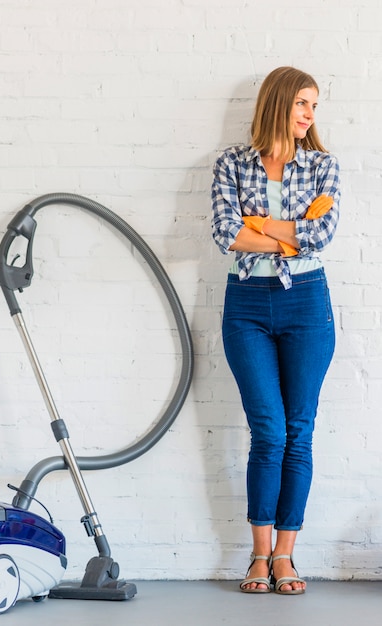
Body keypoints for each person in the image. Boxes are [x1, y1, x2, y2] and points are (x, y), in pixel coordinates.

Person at [211, 66, 340, 595]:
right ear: (278, 104)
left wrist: (257, 225)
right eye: (303, 103)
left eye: (315, 106)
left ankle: (286, 557)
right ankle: (258, 556)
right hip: (245, 307)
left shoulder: (323, 165)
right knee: (268, 430)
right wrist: (287, 232)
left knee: (299, 431)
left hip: (307, 305)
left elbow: (322, 233)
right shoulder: (231, 164)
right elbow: (225, 233)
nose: (310, 115)